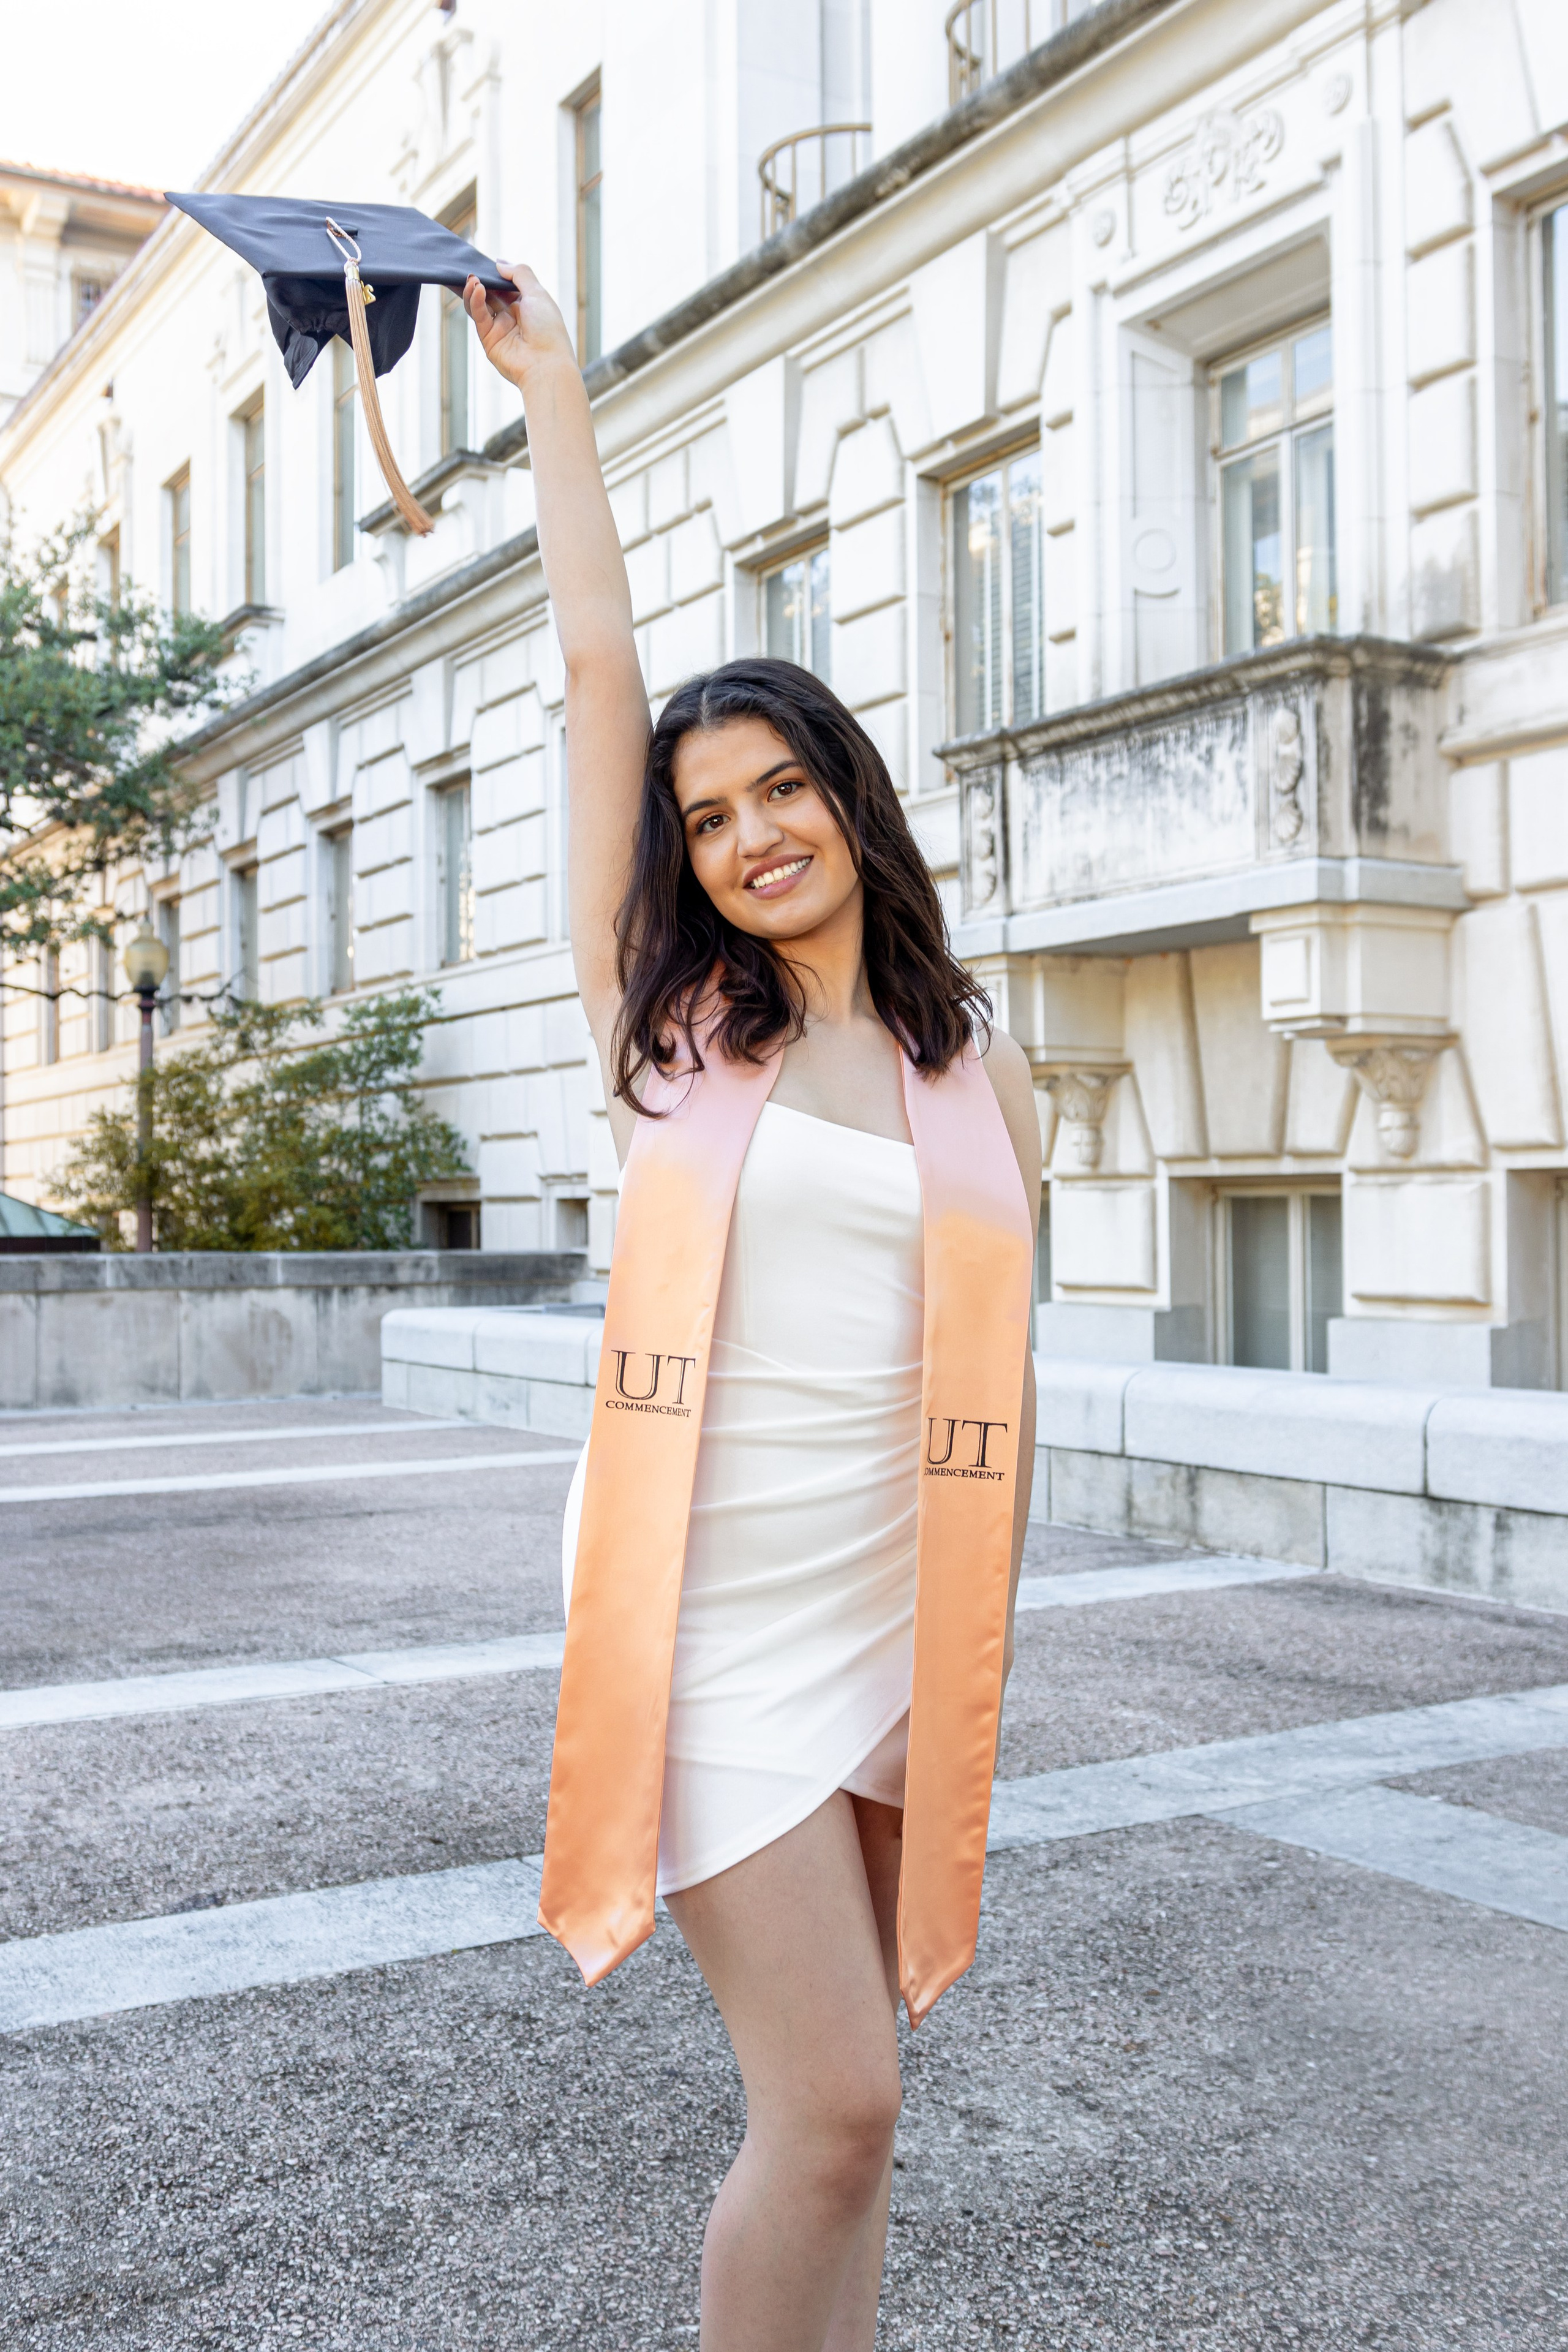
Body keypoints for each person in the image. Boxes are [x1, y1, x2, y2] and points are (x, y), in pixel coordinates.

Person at [465, 260, 1041, 2352]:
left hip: (887, 1613)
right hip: (707, 1626)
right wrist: (555, 399)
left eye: (779, 791)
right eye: (708, 821)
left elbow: (999, 1368)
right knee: (835, 2105)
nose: (746, 836)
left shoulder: (979, 1066)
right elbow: (601, 657)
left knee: (854, 2138)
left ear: (848, 796)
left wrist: (969, 1644)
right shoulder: (672, 1036)